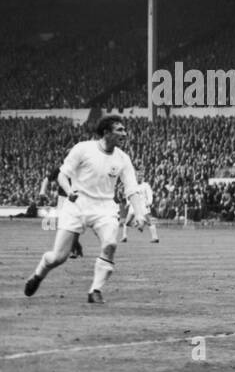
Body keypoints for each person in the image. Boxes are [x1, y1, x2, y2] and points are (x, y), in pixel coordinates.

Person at [24, 115, 147, 304]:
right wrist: (68, 190)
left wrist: (139, 213)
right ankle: (38, 275)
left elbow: (132, 188)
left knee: (110, 245)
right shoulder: (83, 149)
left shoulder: (123, 158)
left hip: (105, 207)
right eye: (119, 130)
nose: (125, 133)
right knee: (58, 257)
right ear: (106, 132)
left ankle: (95, 290)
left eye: (124, 129)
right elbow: (63, 175)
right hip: (77, 205)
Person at [39, 166, 83, 259]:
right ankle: (77, 247)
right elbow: (47, 179)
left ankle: (73, 249)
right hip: (63, 199)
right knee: (65, 225)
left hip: (76, 198)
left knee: (71, 224)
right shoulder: (60, 169)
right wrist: (42, 191)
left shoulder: (80, 168)